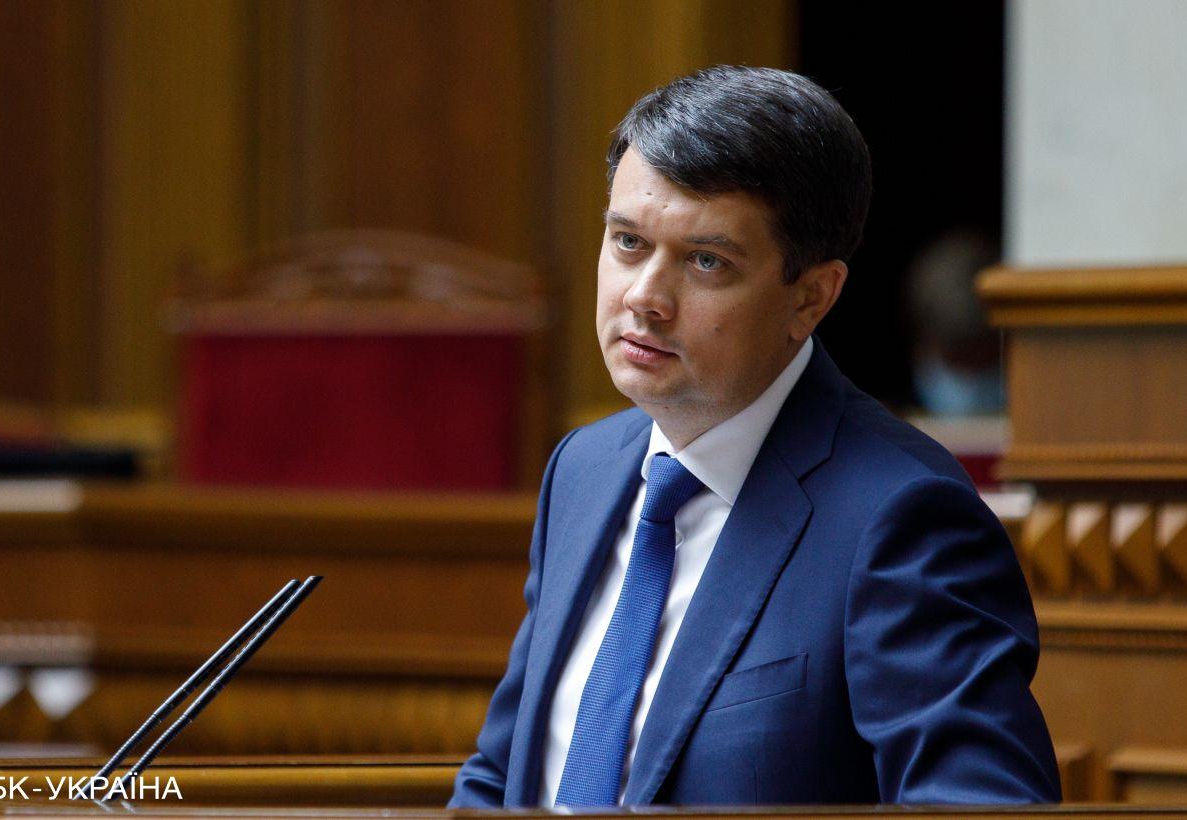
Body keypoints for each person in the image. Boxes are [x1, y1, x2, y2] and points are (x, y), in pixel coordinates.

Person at [449, 65, 1060, 807]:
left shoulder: (902, 515)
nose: (645, 297)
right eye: (629, 242)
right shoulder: (583, 468)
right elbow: (502, 775)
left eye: (706, 261)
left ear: (811, 297)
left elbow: (981, 807)